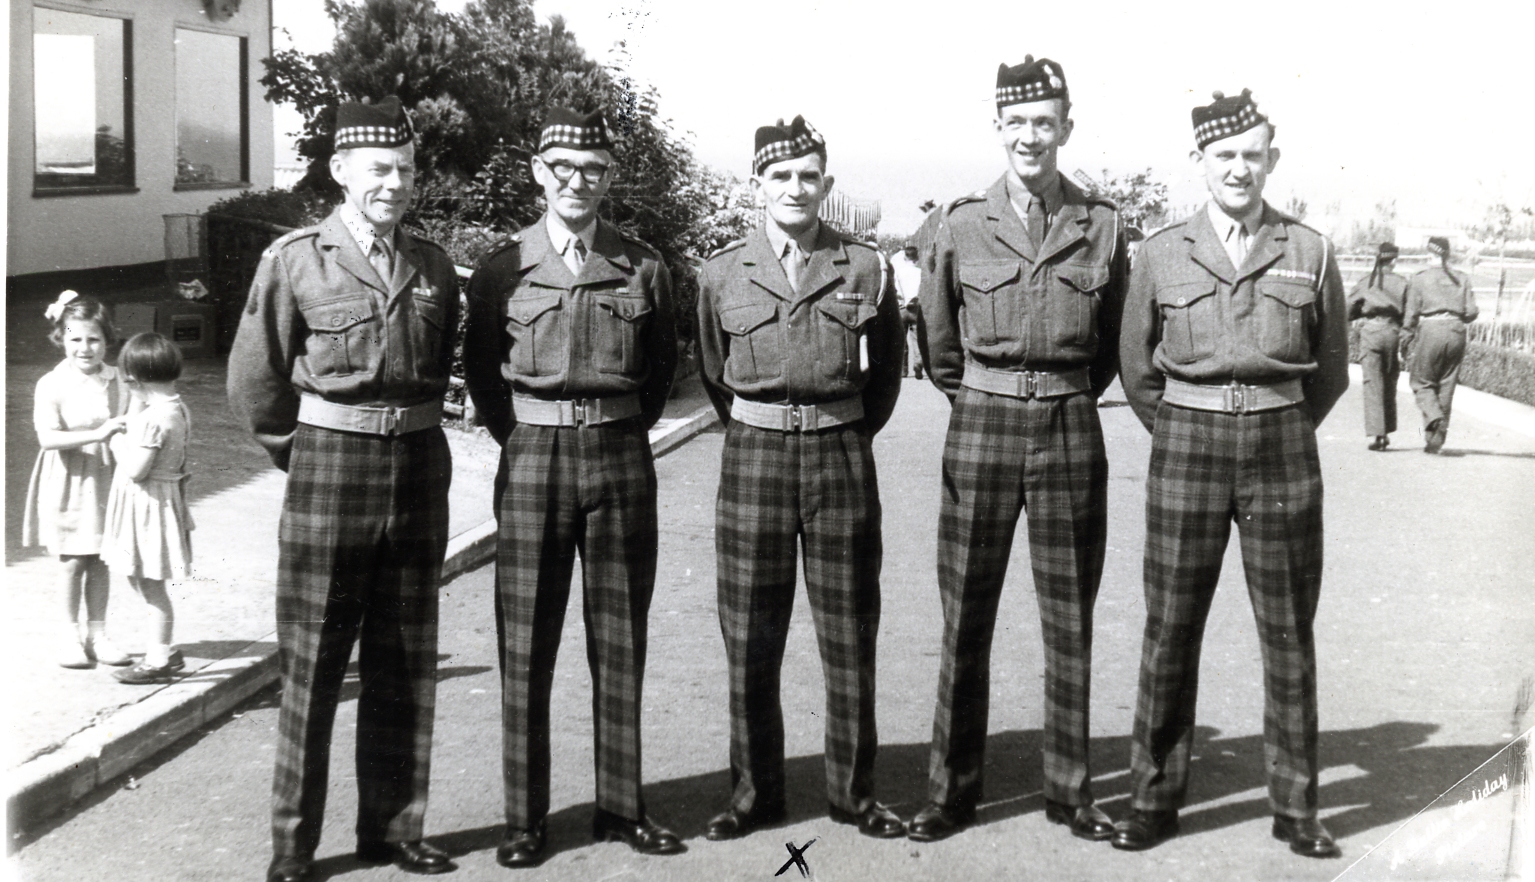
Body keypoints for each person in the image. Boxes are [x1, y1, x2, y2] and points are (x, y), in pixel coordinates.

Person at [228, 96, 462, 881]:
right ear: (341, 171)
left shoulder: (431, 265)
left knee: (404, 656)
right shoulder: (296, 257)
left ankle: (392, 830)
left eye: (406, 170)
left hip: (418, 469)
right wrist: (303, 456)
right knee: (314, 660)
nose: (394, 184)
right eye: (378, 170)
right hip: (329, 469)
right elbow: (255, 380)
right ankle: (293, 846)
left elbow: (436, 367)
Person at [1116, 89, 1349, 857]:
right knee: (1169, 626)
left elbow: (1330, 368)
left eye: (1252, 154)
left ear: (1271, 159)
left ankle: (1296, 807)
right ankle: (1151, 799)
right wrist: (1186, 421)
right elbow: (1135, 366)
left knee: (1286, 629)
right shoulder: (1159, 252)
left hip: (1281, 445)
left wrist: (1275, 420)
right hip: (1186, 438)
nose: (1238, 169)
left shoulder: (1308, 250)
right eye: (1224, 155)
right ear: (1199, 162)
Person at [909, 57, 1127, 844]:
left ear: (1065, 127)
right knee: (965, 612)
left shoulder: (1101, 223)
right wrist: (985, 393)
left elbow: (1112, 342)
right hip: (982, 421)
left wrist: (1060, 390)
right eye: (1016, 123)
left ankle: (1070, 791)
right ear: (996, 128)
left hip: (1069, 422)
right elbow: (938, 341)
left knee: (1067, 616)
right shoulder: (961, 223)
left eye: (1043, 122)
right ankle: (950, 792)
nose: (1029, 136)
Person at [462, 106, 681, 869]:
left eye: (592, 169)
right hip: (532, 456)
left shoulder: (642, 266)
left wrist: (612, 424)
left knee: (619, 639)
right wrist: (529, 433)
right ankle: (525, 818)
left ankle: (621, 805)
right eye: (562, 167)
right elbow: (483, 373)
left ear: (609, 177)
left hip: (620, 454)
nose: (576, 182)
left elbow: (660, 369)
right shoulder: (502, 268)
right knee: (526, 642)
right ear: (538, 172)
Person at [695, 115, 906, 842]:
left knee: (849, 629)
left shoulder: (864, 267)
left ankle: (853, 793)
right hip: (753, 456)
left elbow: (885, 372)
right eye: (780, 176)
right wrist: (763, 422)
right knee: (750, 633)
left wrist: (838, 428)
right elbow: (712, 371)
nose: (794, 188)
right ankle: (753, 794)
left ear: (826, 184)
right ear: (757, 184)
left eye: (807, 176)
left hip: (839, 453)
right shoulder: (722, 271)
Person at [24, 292, 132, 670]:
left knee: (101, 560)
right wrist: (98, 433)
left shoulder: (119, 380)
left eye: (94, 339)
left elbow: (131, 422)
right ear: (61, 338)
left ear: (107, 340)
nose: (85, 348)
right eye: (76, 339)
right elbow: (47, 438)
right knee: (73, 561)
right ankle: (69, 636)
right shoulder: (51, 384)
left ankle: (97, 635)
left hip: (107, 477)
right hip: (69, 479)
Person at [102, 333, 192, 684]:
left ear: (134, 381)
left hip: (148, 507)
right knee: (140, 576)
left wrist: (115, 442)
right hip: (157, 503)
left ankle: (158, 661)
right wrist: (135, 405)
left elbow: (136, 470)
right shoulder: (175, 407)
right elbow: (139, 415)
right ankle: (164, 649)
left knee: (152, 587)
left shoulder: (154, 420)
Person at [1404, 236, 1479, 454]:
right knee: (1447, 386)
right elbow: (1471, 312)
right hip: (1457, 332)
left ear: (1430, 252)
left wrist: (1405, 339)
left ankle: (1434, 416)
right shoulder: (1462, 278)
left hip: (1431, 330)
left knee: (1421, 382)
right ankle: (1435, 440)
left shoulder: (1420, 278)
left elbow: (1411, 314)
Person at [1349, 242, 1408, 450]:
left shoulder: (1366, 281)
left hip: (1371, 332)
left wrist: (1359, 314)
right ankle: (1387, 429)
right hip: (1393, 332)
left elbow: (1349, 308)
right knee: (1390, 381)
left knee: (1372, 383)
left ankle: (1379, 435)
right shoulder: (1402, 283)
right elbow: (1409, 312)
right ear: (1394, 260)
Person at [891, 243, 925, 378]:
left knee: (901, 340)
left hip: (902, 309)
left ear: (905, 257)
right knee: (918, 338)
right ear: (917, 258)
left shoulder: (899, 272)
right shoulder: (921, 273)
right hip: (916, 309)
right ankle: (918, 362)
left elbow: (896, 291)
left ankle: (903, 370)